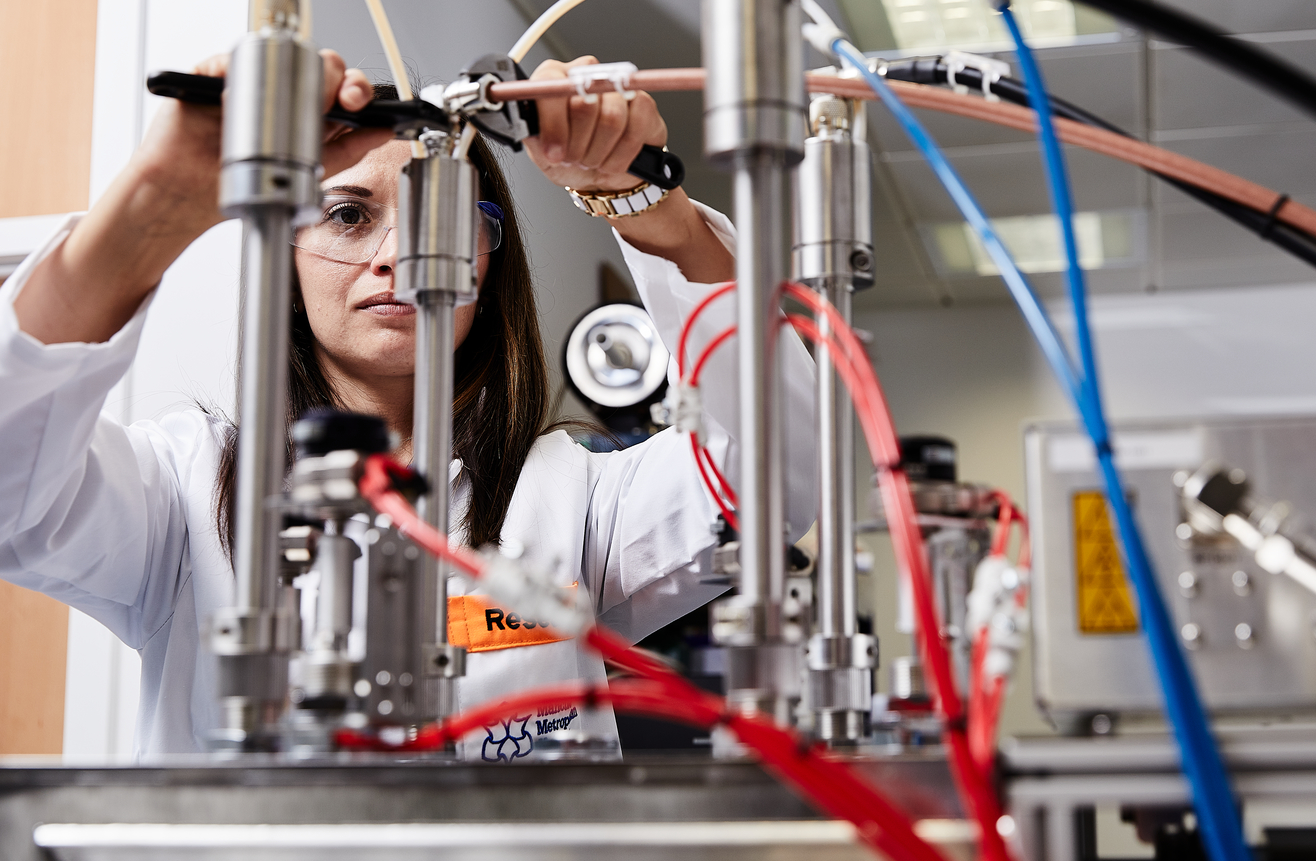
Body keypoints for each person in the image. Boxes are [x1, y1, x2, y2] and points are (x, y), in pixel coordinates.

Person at [0, 49, 815, 760]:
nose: (399, 256)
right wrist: (154, 203)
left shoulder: (573, 497)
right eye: (348, 215)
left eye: (441, 219)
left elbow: (777, 476)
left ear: (488, 264)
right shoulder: (184, 490)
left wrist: (648, 204)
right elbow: (13, 487)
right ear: (287, 258)